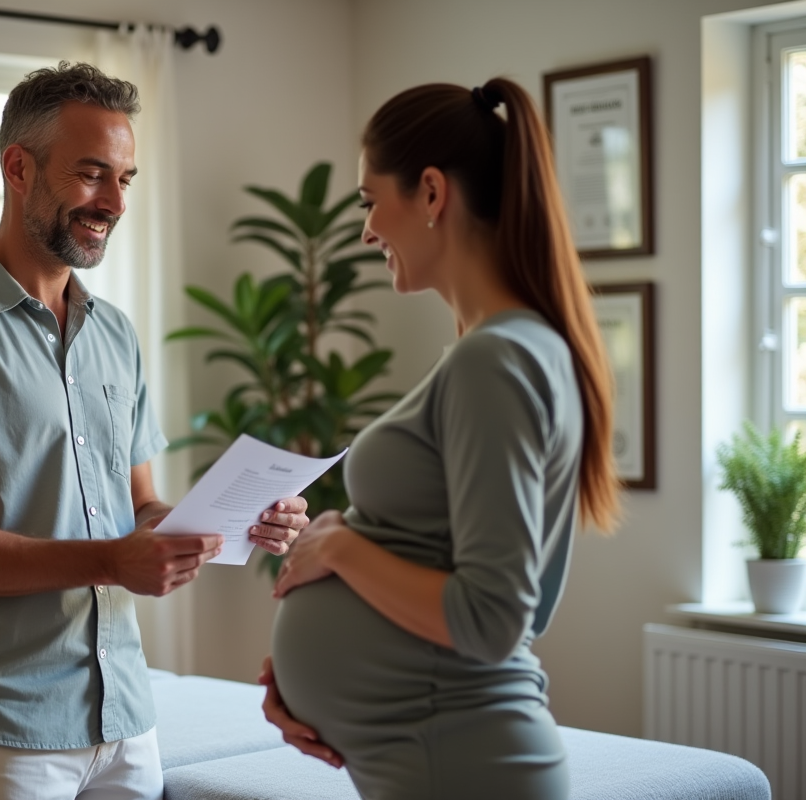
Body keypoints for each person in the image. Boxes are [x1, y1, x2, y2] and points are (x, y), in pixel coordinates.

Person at [0, 62, 308, 800]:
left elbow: (140, 509)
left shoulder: (115, 334)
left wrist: (231, 519)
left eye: (125, 179)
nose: (114, 202)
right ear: (18, 168)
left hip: (125, 718)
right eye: (92, 174)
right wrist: (112, 561)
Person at [258, 78, 620, 800]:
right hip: (435, 752)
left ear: (430, 192)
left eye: (370, 202)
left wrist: (339, 547)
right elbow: (504, 596)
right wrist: (310, 691)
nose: (367, 232)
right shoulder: (507, 350)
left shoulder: (497, 359)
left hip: (459, 759)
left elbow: (494, 618)